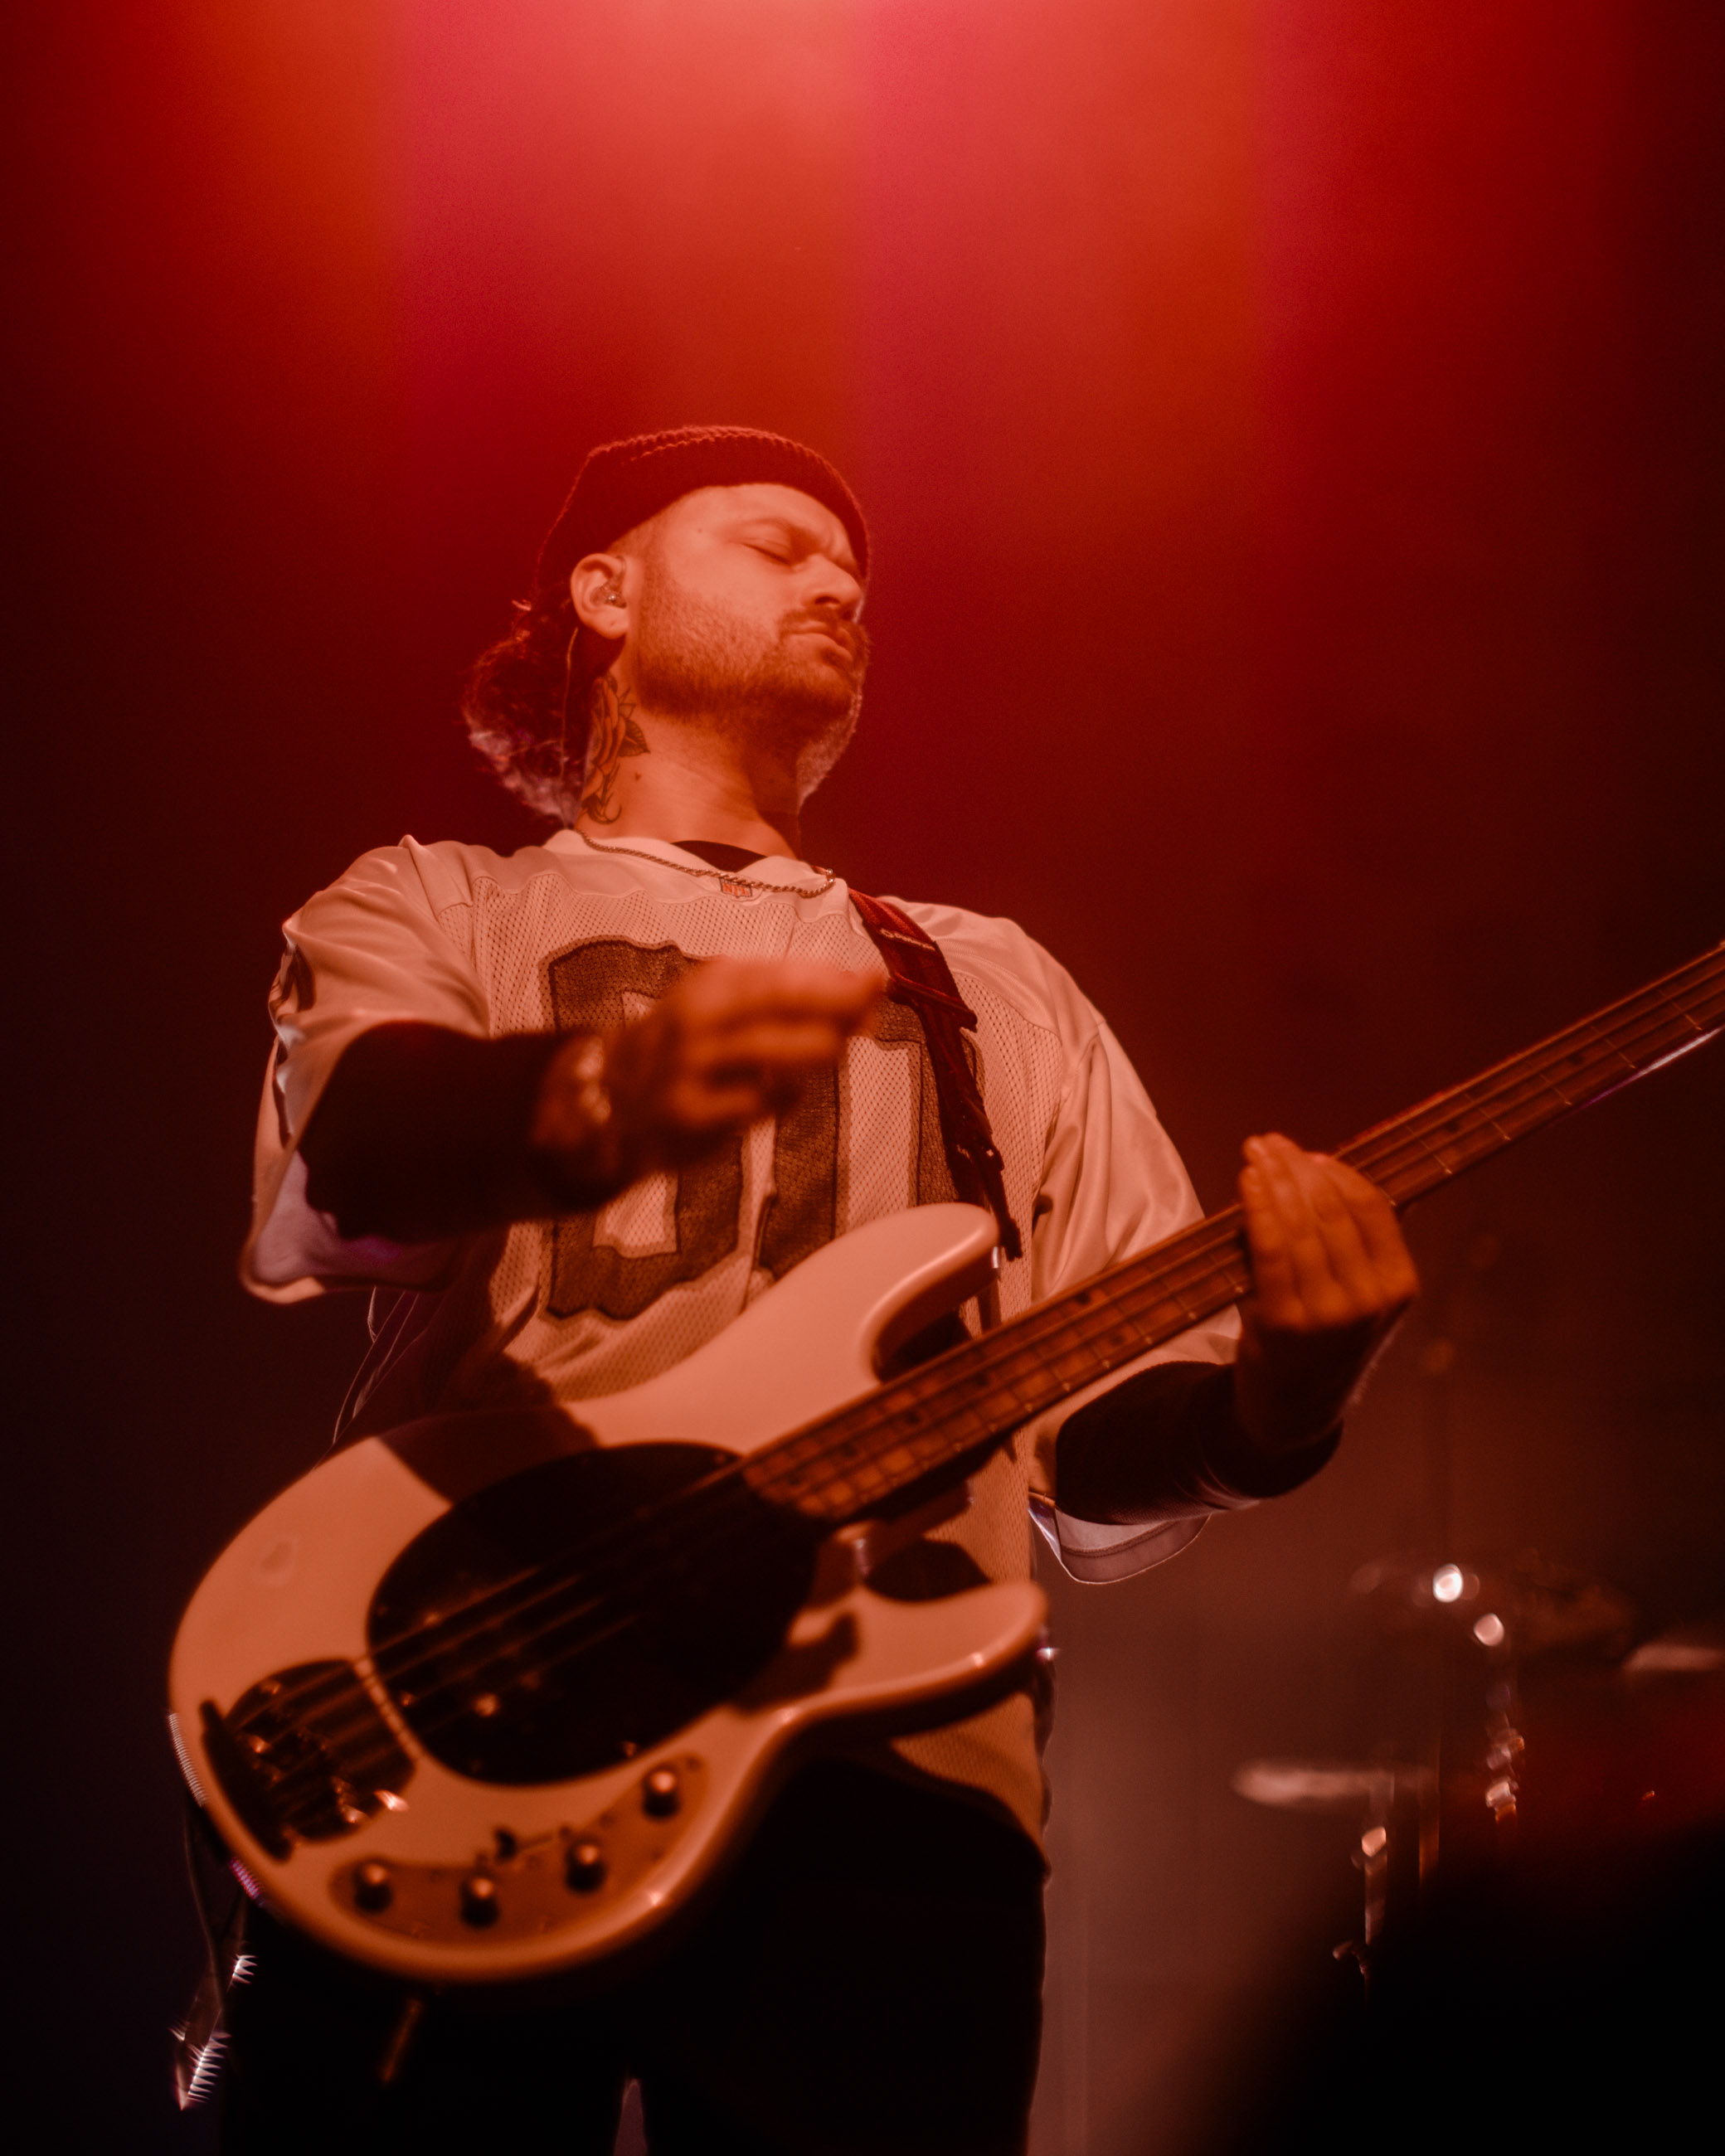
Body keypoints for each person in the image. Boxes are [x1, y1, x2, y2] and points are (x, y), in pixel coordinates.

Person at [221, 426, 1417, 2154]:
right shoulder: (431, 902)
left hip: (893, 1769)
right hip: (463, 1709)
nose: (841, 583)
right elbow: (357, 1155)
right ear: (602, 592)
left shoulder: (982, 981)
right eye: (776, 544)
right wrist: (586, 1098)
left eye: (852, 569)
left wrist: (1271, 1409)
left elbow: (1078, 1451)